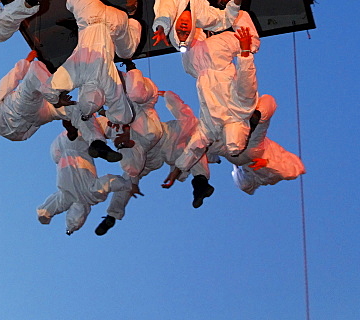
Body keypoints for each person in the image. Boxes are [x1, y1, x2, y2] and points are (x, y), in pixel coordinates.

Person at [96, 88, 214, 234]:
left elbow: (184, 116)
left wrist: (169, 96)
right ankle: (112, 215)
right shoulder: (109, 124)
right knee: (128, 177)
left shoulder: (131, 112)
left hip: (163, 140)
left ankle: (200, 182)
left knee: (194, 141)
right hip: (147, 155)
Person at [162, 22, 261, 189]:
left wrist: (177, 170)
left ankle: (192, 14)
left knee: (185, 35)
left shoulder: (211, 128)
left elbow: (194, 148)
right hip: (218, 57)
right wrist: (245, 52)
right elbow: (247, 81)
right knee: (252, 41)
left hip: (196, 67)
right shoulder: (243, 109)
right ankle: (234, 6)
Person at [42, 0, 142, 128]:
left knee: (127, 52)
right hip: (90, 14)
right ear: (81, 92)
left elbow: (125, 117)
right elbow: (47, 89)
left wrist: (104, 113)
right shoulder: (77, 73)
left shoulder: (109, 86)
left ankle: (133, 17)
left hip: (115, 21)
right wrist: (56, 100)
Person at [0, 52, 119, 159]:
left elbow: (33, 128)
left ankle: (97, 143)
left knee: (78, 110)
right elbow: (6, 85)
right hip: (20, 105)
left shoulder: (14, 138)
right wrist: (28, 60)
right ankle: (94, 137)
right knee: (35, 68)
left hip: (40, 116)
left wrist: (49, 105)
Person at [36, 130, 131, 235]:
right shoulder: (66, 197)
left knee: (96, 129)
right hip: (57, 151)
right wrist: (44, 214)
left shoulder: (93, 194)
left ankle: (118, 134)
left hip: (77, 146)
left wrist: (127, 185)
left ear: (86, 212)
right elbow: (53, 205)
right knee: (87, 127)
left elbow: (110, 182)